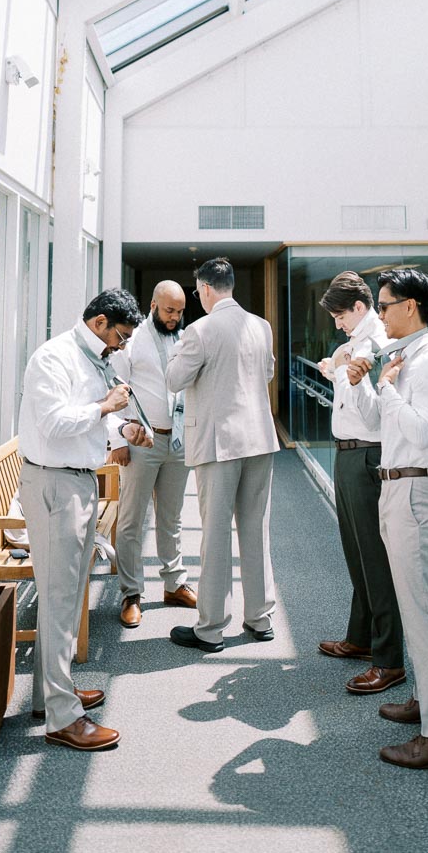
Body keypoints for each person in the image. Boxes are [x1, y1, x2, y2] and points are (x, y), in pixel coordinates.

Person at [17, 287, 150, 751]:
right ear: (99, 323)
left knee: (70, 593)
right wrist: (105, 407)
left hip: (76, 481)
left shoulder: (91, 356)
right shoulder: (54, 359)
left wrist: (123, 427)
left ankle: (51, 696)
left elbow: (92, 419)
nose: (123, 345)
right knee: (58, 598)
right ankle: (62, 719)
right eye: (121, 336)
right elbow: (54, 423)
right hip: (55, 483)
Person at [346, 266, 428, 770]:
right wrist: (364, 385)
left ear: (410, 307)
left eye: (385, 304)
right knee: (415, 609)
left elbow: (419, 432)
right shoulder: (402, 359)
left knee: (424, 615)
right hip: (398, 487)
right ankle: (426, 703)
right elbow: (377, 423)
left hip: (418, 489)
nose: (379, 313)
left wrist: (388, 387)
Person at [165, 257, 279, 653]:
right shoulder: (261, 326)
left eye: (197, 292)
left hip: (219, 443)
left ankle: (211, 628)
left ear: (207, 289)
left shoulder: (198, 330)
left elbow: (174, 379)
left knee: (215, 535)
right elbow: (266, 373)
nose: (198, 297)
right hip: (260, 440)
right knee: (255, 529)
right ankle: (260, 618)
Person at [316, 272, 406, 696]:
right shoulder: (353, 346)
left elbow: (371, 418)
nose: (336, 323)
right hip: (347, 452)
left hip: (366, 455)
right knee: (355, 550)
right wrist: (335, 369)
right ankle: (361, 637)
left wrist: (340, 374)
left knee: (374, 557)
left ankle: (388, 660)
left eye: (339, 315)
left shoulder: (372, 347)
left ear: (358, 308)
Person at [107, 281, 197, 628]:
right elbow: (116, 388)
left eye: (179, 312)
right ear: (153, 305)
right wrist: (118, 441)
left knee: (172, 518)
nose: (174, 317)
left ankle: (174, 584)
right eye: (169, 310)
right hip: (141, 442)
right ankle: (131, 594)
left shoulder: (183, 338)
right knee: (131, 520)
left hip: (176, 443)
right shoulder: (133, 340)